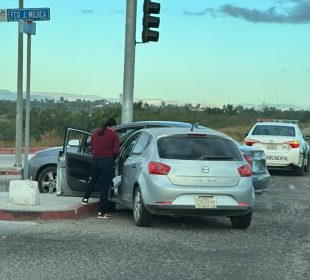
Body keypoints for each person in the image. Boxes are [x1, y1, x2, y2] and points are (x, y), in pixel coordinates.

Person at [81, 117, 120, 219]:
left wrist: (96, 155)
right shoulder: (114, 135)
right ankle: (102, 213)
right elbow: (116, 151)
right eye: (116, 127)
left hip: (95, 160)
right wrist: (113, 158)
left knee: (93, 179)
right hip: (107, 162)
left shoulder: (96, 132)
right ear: (113, 126)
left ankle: (85, 199)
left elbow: (92, 148)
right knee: (104, 187)